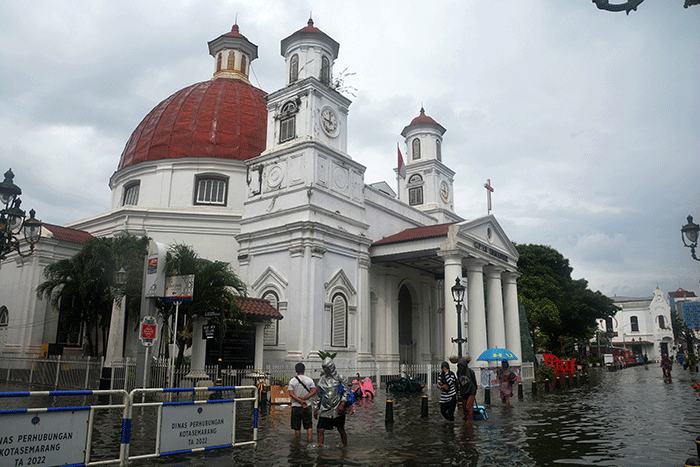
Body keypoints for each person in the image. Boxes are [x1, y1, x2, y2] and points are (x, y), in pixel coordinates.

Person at [313, 357, 349, 446]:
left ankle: (345, 447)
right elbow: (318, 395)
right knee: (320, 429)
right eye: (324, 367)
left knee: (341, 429)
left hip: (337, 408)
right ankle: (320, 448)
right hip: (325, 409)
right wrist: (315, 409)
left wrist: (342, 403)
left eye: (327, 367)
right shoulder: (322, 380)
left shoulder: (340, 378)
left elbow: (346, 391)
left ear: (332, 367)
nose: (325, 369)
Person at [288, 362, 316, 441]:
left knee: (297, 427)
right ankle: (309, 440)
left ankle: (297, 442)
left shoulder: (292, 381)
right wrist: (304, 398)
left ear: (296, 370)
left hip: (296, 407)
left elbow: (291, 394)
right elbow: (314, 391)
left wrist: (300, 400)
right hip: (307, 405)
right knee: (309, 425)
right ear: (304, 370)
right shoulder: (309, 380)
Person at [457, 357, 478, 421]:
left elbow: (474, 381)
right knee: (464, 409)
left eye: (462, 366)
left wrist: (474, 391)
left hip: (471, 391)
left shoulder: (470, 372)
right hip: (463, 392)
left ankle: (469, 422)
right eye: (460, 366)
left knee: (468, 407)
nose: (461, 367)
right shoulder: (458, 372)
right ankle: (466, 419)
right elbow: (459, 382)